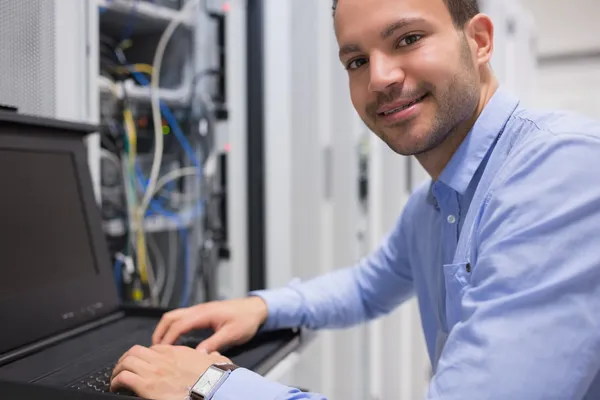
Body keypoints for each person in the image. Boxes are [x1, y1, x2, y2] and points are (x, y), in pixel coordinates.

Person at [110, 0, 600, 398]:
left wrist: (212, 385)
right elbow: (366, 287)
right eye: (356, 61)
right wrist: (262, 307)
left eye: (408, 39)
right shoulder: (437, 202)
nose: (380, 78)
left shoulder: (559, 170)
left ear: (479, 41)